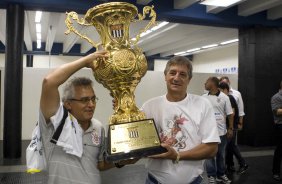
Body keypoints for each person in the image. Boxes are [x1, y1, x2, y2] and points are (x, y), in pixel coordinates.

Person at [40, 51, 133, 184]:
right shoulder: (54, 123)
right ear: (68, 104)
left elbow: (99, 164)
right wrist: (85, 61)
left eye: (93, 99)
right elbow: (49, 82)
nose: (91, 105)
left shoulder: (98, 127)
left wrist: (123, 161)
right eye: (84, 100)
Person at [141, 56, 220, 184]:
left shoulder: (202, 104)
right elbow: (139, 143)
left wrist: (177, 155)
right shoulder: (149, 106)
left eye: (182, 74)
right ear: (165, 76)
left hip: (193, 181)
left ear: (189, 79)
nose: (176, 78)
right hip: (155, 180)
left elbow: (212, 149)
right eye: (172, 73)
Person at [203, 77, 234, 184]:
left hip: (221, 132)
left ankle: (221, 174)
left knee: (221, 154)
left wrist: (230, 128)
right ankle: (211, 175)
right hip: (208, 133)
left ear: (212, 84)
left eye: (206, 82)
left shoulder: (224, 97)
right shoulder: (203, 98)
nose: (204, 83)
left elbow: (230, 114)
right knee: (209, 155)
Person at [219, 76, 248, 174]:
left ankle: (242, 164)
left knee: (231, 146)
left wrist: (239, 123)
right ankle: (230, 166)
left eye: (221, 89)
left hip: (231, 126)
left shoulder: (231, 97)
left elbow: (236, 112)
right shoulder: (225, 97)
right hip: (228, 126)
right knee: (230, 147)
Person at [271, 80, 282, 181]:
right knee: (279, 150)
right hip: (280, 126)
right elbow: (277, 111)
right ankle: (276, 172)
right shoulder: (276, 97)